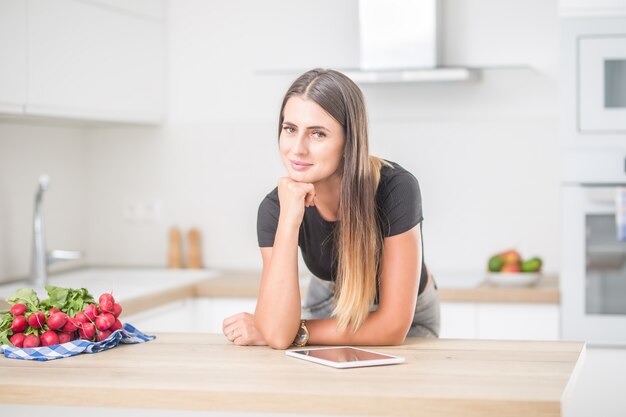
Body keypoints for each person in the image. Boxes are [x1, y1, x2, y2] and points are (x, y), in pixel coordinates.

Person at [222, 68, 440, 349]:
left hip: (408, 322)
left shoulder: (395, 188)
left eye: (317, 134)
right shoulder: (275, 207)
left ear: (349, 142)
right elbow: (276, 335)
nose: (297, 149)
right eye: (290, 129)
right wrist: (290, 218)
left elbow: (391, 327)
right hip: (327, 307)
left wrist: (293, 330)